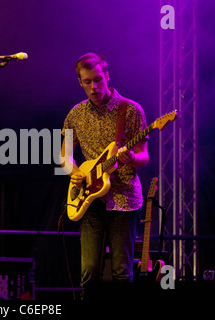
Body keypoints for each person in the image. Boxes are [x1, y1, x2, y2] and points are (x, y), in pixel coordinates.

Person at [60, 53, 149, 298]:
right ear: (79, 82)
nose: (94, 86)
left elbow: (144, 156)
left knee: (122, 271)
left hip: (124, 199)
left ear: (107, 76)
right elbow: (63, 156)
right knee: (89, 270)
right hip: (90, 199)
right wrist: (75, 172)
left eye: (98, 79)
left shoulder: (130, 110)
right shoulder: (75, 114)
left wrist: (130, 158)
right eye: (87, 81)